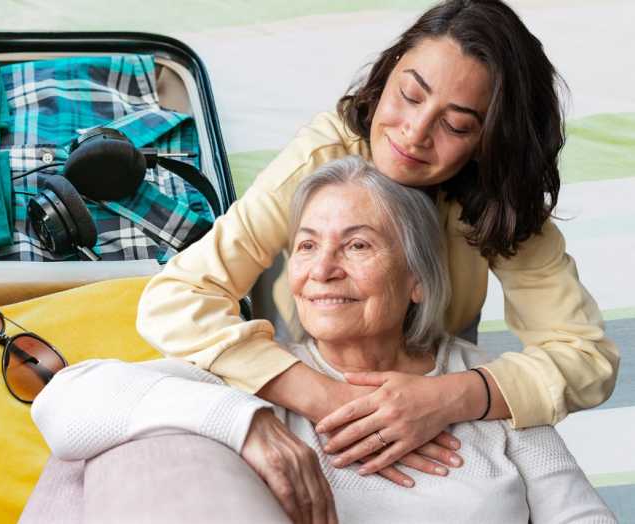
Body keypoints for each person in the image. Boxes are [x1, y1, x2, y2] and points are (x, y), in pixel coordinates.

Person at [135, 0, 619, 488]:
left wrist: (449, 398)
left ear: (490, 141)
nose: (414, 132)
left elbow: (586, 357)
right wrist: (327, 398)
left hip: (439, 424)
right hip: (298, 398)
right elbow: (175, 299)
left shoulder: (501, 201)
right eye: (409, 94)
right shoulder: (321, 158)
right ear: (386, 75)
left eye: (456, 125)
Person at [32, 157, 616, 523]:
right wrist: (249, 424)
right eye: (307, 246)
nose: (322, 269)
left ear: (417, 279)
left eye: (358, 245)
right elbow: (66, 400)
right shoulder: (258, 372)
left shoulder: (486, 389)